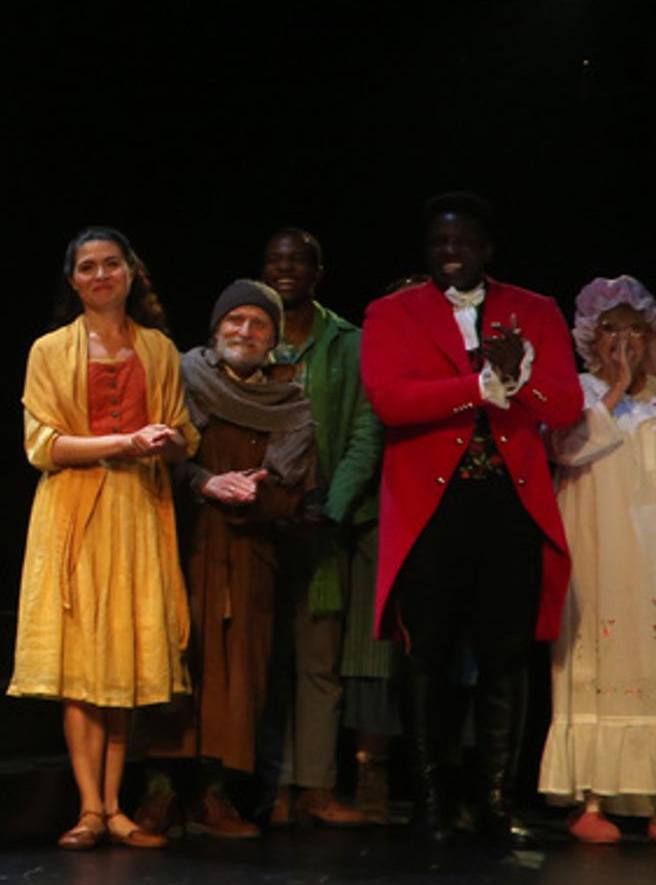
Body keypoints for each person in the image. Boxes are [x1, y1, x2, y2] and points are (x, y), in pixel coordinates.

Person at [360, 192, 582, 847]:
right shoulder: (392, 311)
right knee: (424, 654)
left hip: (506, 504)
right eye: (438, 244)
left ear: (487, 249)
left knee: (505, 655)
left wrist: (520, 379)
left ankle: (494, 800)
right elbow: (390, 400)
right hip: (434, 506)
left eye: (462, 243)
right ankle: (430, 798)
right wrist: (476, 388)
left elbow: (564, 404)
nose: (449, 254)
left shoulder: (534, 310)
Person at [9, 227, 196, 851]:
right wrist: (124, 442)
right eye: (87, 267)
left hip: (138, 510)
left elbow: (181, 432)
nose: (100, 275)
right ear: (73, 281)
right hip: (74, 512)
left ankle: (117, 807)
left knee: (126, 660)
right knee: (82, 662)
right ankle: (89, 807)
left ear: (130, 272)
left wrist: (168, 441)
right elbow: (43, 445)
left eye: (111, 264)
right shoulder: (49, 350)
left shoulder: (159, 349)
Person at [139, 280, 317, 838]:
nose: (245, 331)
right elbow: (161, 458)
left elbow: (295, 487)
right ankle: (159, 794)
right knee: (174, 663)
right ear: (216, 331)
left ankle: (214, 798)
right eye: (235, 321)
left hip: (248, 550)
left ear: (273, 341)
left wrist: (255, 495)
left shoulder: (291, 404)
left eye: (258, 324)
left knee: (238, 675)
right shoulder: (183, 380)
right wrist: (207, 483)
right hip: (184, 542)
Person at [259, 228, 381, 827]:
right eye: (276, 261)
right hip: (257, 524)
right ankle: (272, 788)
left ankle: (316, 786)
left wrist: (330, 505)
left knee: (318, 661)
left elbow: (365, 430)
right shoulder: (249, 332)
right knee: (265, 662)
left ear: (317, 271)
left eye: (298, 261)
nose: (286, 270)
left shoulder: (348, 343)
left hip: (325, 524)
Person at [540, 275, 656, 843]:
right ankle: (589, 799)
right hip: (594, 540)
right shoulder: (578, 389)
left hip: (648, 543)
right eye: (611, 329)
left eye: (636, 328)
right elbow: (566, 445)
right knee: (597, 659)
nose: (624, 340)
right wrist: (618, 386)